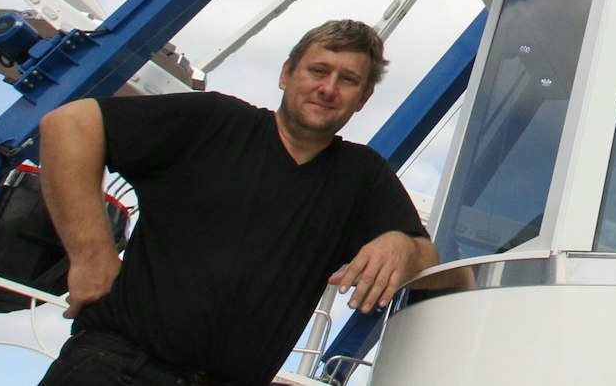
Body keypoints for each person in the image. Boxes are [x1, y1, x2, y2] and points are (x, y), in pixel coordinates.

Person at [35, 20, 440, 386]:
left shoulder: (361, 177)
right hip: (114, 368)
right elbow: (69, 124)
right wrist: (91, 255)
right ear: (286, 74)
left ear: (363, 99)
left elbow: (445, 274)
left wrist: (405, 246)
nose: (328, 88)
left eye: (348, 80)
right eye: (318, 71)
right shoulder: (214, 122)